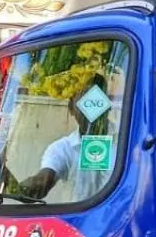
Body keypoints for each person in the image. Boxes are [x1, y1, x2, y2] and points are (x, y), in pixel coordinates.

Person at [15, 73, 117, 203]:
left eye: (94, 99)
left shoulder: (128, 142)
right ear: (71, 108)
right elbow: (45, 178)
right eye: (83, 100)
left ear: (107, 104)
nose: (89, 107)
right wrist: (25, 187)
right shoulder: (62, 148)